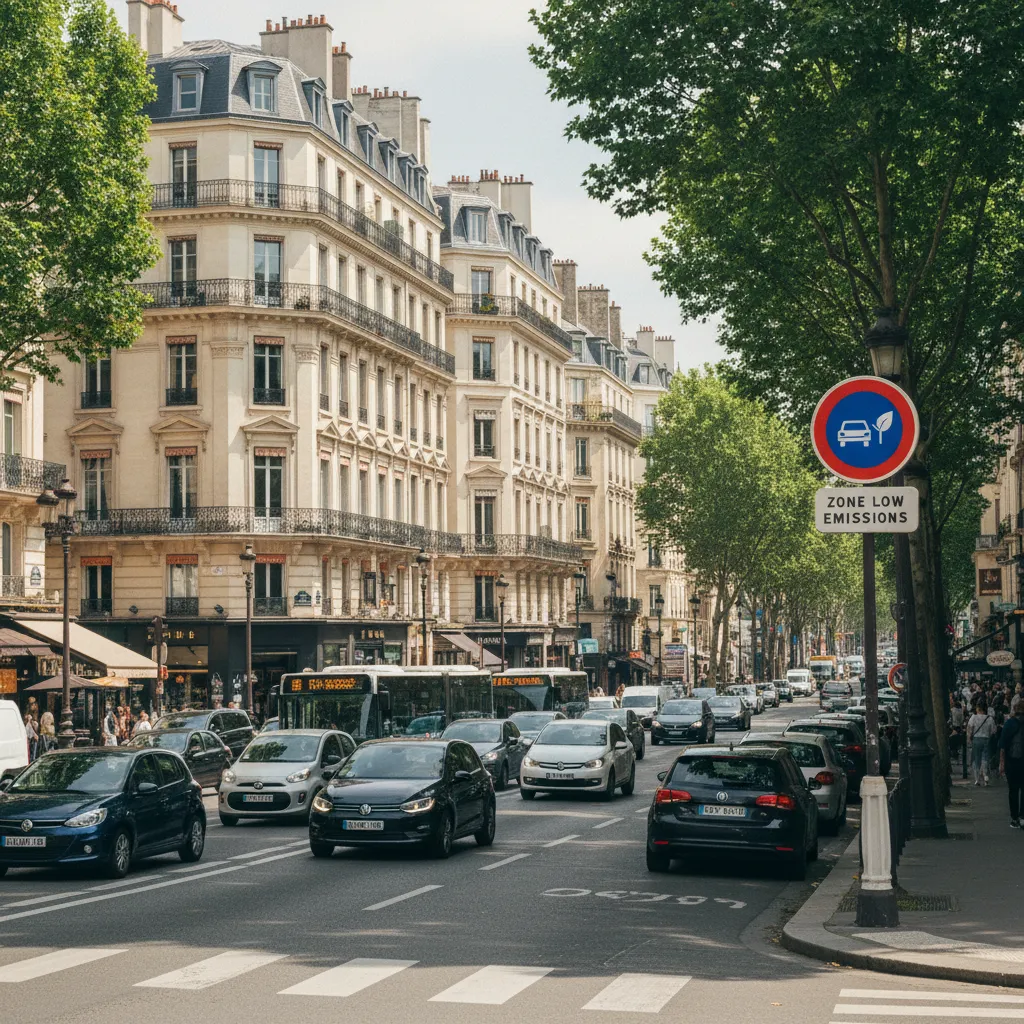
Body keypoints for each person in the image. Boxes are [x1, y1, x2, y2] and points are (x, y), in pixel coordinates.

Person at [1000, 698, 1024, 827]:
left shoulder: (1010, 723)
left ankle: (1014, 818)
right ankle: (1023, 816)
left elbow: (1003, 745)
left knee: (1013, 791)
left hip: (1012, 762)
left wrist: (1002, 763)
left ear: (1015, 709)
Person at [967, 701, 996, 786]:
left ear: (978, 708)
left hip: (976, 739)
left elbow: (969, 728)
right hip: (986, 739)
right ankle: (986, 775)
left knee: (976, 759)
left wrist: (969, 738)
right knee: (985, 758)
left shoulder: (973, 717)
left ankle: (977, 779)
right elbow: (993, 730)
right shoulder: (989, 718)